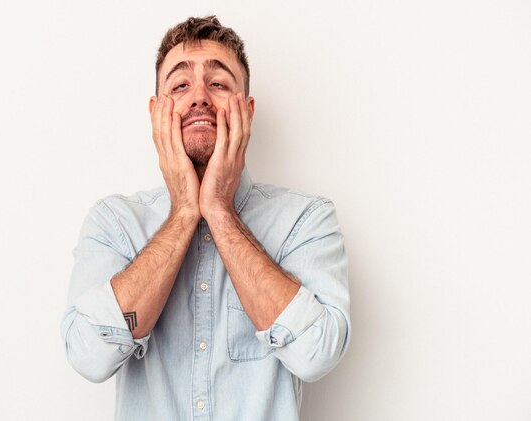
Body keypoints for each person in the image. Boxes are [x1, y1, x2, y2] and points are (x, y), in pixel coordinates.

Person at [60, 15, 351, 421]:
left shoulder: (306, 220)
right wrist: (183, 213)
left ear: (246, 111)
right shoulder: (114, 223)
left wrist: (218, 208)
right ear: (156, 112)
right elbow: (89, 356)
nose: (199, 97)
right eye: (179, 85)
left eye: (218, 84)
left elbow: (316, 353)